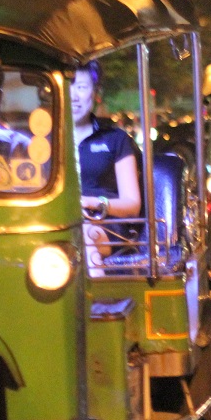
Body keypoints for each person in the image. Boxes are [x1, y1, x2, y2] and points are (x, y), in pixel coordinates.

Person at [71, 61, 141, 274]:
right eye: (67, 86)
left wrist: (91, 203)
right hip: (57, 222)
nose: (73, 95)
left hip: (103, 225)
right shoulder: (42, 142)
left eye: (81, 87)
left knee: (84, 234)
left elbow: (132, 204)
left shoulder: (115, 139)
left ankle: (97, 302)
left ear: (95, 93)